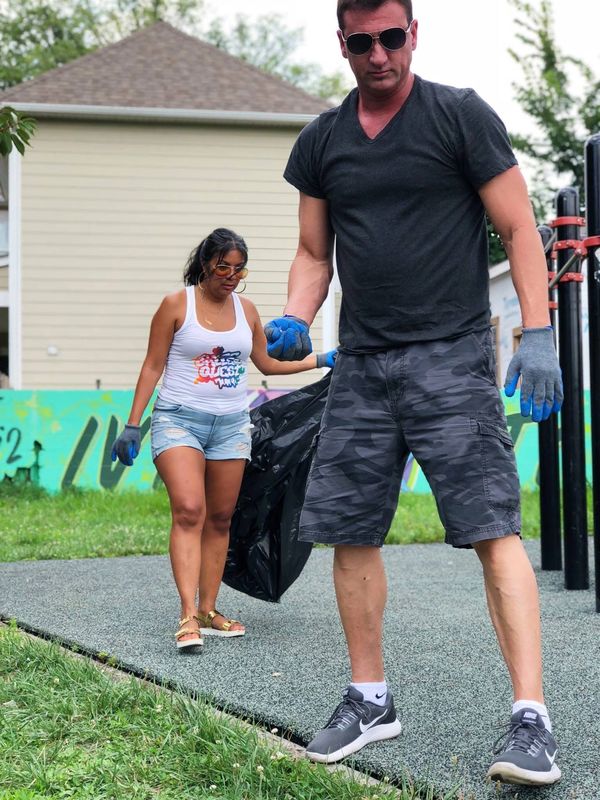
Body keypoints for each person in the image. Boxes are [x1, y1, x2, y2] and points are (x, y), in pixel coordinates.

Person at [264, 0, 563, 787]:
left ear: (413, 34)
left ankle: (531, 717)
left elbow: (520, 230)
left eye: (391, 37)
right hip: (362, 364)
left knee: (494, 530)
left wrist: (539, 333)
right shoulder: (322, 141)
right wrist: (297, 315)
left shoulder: (459, 117)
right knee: (348, 531)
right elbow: (310, 250)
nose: (378, 55)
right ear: (343, 44)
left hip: (452, 358)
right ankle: (370, 698)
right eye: (361, 43)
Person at [111, 228, 336, 650]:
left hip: (231, 425)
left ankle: (208, 609)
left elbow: (266, 363)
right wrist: (133, 423)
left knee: (219, 519)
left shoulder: (246, 309)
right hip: (179, 421)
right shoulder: (177, 305)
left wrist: (321, 359)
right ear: (204, 265)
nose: (231, 276)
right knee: (190, 510)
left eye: (238, 269)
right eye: (222, 268)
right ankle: (185, 615)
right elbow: (151, 366)